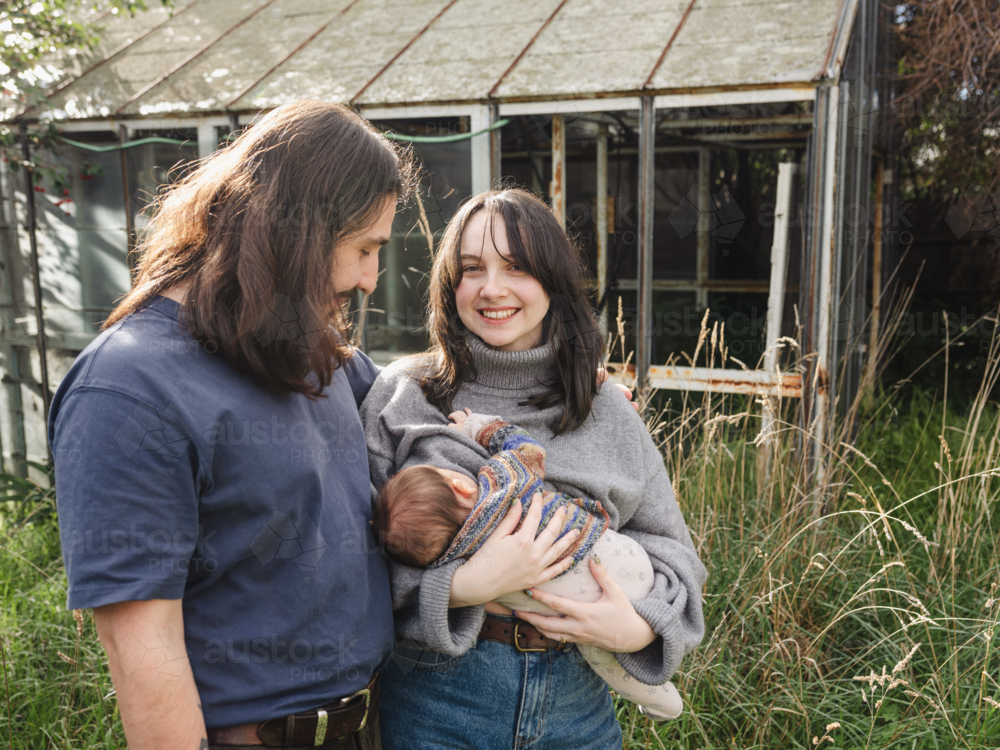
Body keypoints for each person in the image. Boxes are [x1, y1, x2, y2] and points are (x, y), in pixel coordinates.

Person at [49, 100, 415, 750]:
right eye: (363, 248)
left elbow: (416, 398)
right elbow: (142, 646)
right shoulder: (131, 386)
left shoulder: (308, 351)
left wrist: (555, 372)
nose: (369, 280)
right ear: (296, 232)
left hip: (373, 725)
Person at [359, 188, 708, 749]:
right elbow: (356, 560)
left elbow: (675, 554)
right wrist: (461, 587)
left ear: (553, 280)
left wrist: (638, 627)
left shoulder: (607, 410)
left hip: (577, 708)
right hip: (437, 703)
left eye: (516, 267)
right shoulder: (403, 395)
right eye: (472, 269)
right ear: (450, 285)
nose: (491, 288)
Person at [372, 409, 683, 721]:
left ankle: (660, 701)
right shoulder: (503, 483)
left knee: (599, 655)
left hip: (566, 616)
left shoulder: (456, 558)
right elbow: (526, 449)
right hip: (619, 560)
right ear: (461, 486)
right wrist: (479, 427)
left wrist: (458, 587)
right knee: (593, 631)